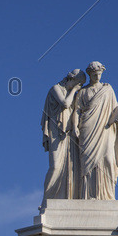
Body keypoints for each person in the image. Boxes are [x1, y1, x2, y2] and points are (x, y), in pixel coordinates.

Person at [71, 61, 118, 200]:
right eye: (95, 74)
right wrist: (74, 127)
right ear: (90, 74)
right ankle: (87, 195)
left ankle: (107, 195)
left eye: (99, 74)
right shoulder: (83, 92)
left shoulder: (108, 89)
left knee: (108, 159)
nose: (97, 77)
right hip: (87, 128)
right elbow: (76, 111)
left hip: (106, 129)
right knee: (87, 162)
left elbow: (115, 109)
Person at [41, 69, 86, 201]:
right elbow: (65, 104)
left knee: (70, 168)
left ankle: (66, 197)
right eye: (79, 84)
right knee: (55, 166)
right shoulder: (56, 88)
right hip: (56, 132)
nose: (80, 87)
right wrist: (74, 90)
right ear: (72, 79)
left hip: (69, 134)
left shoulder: (72, 93)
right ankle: (46, 200)